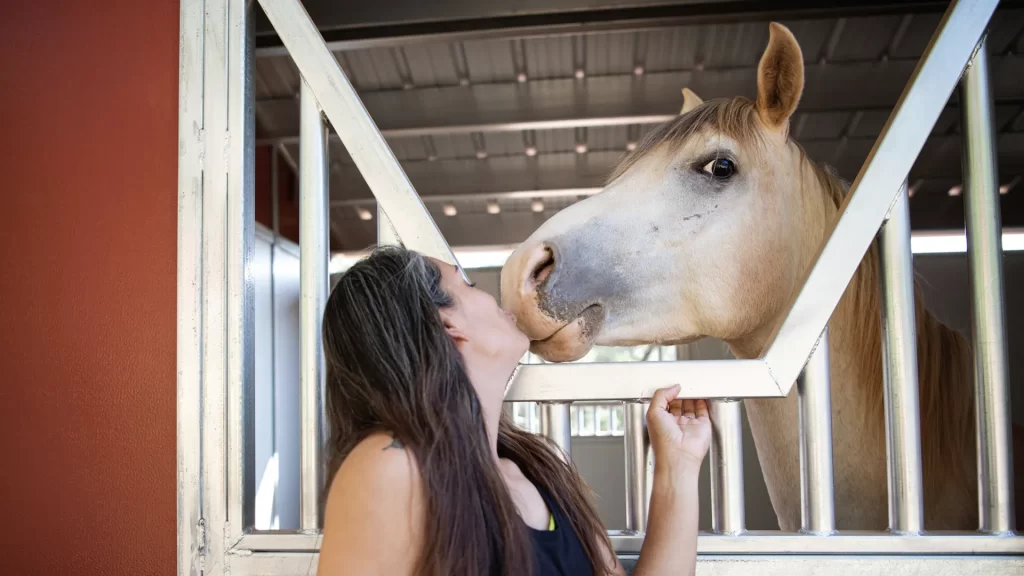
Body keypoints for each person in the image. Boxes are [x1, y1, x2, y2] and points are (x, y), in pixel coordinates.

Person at [317, 245, 710, 576]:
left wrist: (677, 468)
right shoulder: (392, 467)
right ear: (449, 324)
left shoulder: (536, 471)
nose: (489, 295)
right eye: (467, 284)